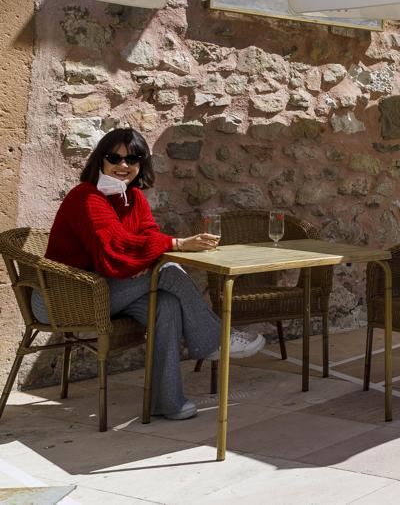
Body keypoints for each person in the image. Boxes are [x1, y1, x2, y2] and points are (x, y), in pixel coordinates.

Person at [31, 128, 264, 420]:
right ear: (100, 160)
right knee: (167, 271)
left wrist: (144, 258)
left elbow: (147, 237)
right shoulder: (86, 197)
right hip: (61, 296)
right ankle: (214, 340)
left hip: (106, 287)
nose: (123, 165)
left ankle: (168, 403)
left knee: (164, 304)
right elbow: (114, 248)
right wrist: (174, 245)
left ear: (142, 164)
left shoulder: (135, 198)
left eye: (133, 159)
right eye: (114, 157)